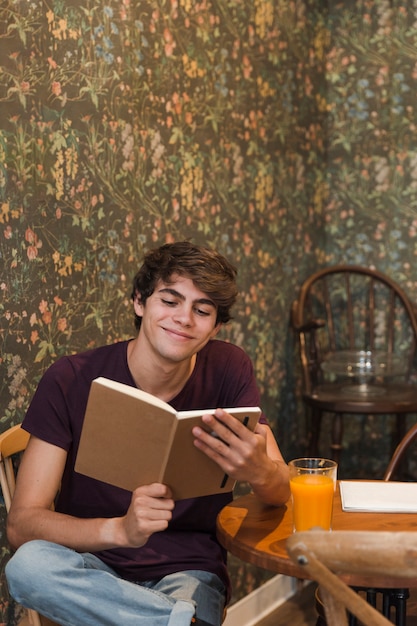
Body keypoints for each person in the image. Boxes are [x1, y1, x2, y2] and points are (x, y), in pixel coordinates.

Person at [6, 241, 290, 626]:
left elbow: (283, 490)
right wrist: (120, 530)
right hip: (90, 570)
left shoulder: (228, 367)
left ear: (215, 326)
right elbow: (22, 526)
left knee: (183, 601)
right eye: (170, 301)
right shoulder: (70, 379)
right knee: (28, 567)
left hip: (187, 572)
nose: (184, 319)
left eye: (202, 310)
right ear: (140, 302)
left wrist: (261, 471)